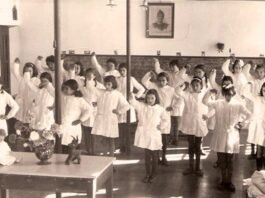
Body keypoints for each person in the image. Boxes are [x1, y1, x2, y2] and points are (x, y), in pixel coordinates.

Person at [203, 84, 251, 192]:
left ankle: (229, 182)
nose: (228, 97)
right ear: (223, 94)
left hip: (232, 136)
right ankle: (223, 181)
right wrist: (209, 92)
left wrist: (242, 124)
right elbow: (204, 101)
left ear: (233, 94)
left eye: (230, 94)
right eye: (226, 94)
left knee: (229, 161)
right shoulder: (218, 103)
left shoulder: (238, 105)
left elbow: (249, 114)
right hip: (219, 135)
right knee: (221, 160)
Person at [129, 89, 169, 183]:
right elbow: (133, 102)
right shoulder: (142, 106)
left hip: (155, 134)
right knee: (147, 155)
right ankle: (147, 173)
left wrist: (161, 126)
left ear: (156, 98)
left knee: (154, 155)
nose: (150, 100)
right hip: (145, 134)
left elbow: (166, 119)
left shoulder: (160, 108)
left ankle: (153, 174)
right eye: (148, 98)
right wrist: (131, 95)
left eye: (152, 98)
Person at [142, 71, 179, 166]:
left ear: (167, 81)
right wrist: (149, 74)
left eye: (163, 80)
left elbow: (180, 99)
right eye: (159, 80)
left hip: (166, 115)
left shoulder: (171, 89)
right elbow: (144, 81)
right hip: (155, 115)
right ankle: (156, 156)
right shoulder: (154, 87)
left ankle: (164, 156)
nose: (161, 82)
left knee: (164, 138)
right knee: (156, 136)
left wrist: (173, 107)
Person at [176, 77, 208, 176]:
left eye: (197, 85)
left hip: (199, 123)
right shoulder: (187, 95)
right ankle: (190, 167)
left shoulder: (203, 94)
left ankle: (198, 167)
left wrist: (207, 115)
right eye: (193, 85)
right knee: (190, 146)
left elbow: (209, 105)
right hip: (189, 123)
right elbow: (177, 91)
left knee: (198, 146)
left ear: (201, 86)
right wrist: (183, 85)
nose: (195, 87)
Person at [91, 75, 130, 157]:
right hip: (101, 118)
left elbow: (126, 106)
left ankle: (111, 158)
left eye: (109, 84)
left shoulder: (117, 94)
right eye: (105, 84)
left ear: (113, 84)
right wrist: (96, 103)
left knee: (111, 139)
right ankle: (102, 157)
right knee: (101, 138)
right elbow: (93, 90)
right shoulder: (101, 92)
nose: (106, 86)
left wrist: (118, 111)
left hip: (110, 119)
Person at [117, 63, 145, 155]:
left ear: (127, 71)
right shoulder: (117, 79)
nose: (122, 72)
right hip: (119, 104)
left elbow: (142, 89)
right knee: (120, 127)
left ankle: (128, 146)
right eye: (120, 70)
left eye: (124, 70)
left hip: (128, 104)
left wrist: (135, 96)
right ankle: (122, 146)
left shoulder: (131, 79)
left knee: (127, 128)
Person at [60, 79, 92, 154]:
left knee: (72, 145)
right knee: (62, 145)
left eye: (67, 89)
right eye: (63, 88)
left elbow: (89, 110)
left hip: (73, 126)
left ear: (73, 90)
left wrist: (80, 120)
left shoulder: (79, 100)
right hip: (63, 125)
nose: (64, 90)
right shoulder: (62, 98)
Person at [80, 68, 105, 155]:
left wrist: (98, 103)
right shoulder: (82, 86)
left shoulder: (100, 86)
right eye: (87, 75)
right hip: (85, 110)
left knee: (93, 131)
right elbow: (79, 96)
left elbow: (104, 97)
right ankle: (88, 149)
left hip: (94, 111)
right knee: (86, 131)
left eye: (91, 75)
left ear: (94, 76)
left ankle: (93, 150)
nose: (88, 77)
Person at [243, 82, 265, 170]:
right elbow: (245, 93)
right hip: (259, 128)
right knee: (259, 151)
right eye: (264, 90)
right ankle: (259, 172)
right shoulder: (257, 98)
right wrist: (248, 84)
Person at [12, 58, 40, 123]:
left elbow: (36, 90)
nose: (27, 73)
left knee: (30, 119)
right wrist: (16, 64)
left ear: (34, 71)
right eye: (26, 71)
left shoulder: (36, 81)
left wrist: (27, 80)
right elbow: (15, 72)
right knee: (21, 120)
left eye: (30, 71)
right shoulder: (21, 79)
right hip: (21, 102)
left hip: (31, 103)